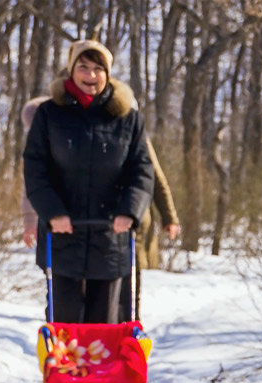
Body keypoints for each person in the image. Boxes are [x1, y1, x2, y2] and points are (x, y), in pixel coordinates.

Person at [23, 39, 154, 326]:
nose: (91, 76)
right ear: (71, 71)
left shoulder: (127, 119)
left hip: (110, 239)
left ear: (108, 74)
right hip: (62, 237)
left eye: (98, 69)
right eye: (83, 67)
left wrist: (128, 211)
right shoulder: (49, 115)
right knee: (65, 330)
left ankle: (105, 374)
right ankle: (63, 373)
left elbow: (142, 170)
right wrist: (53, 212)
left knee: (105, 329)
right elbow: (35, 169)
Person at [20, 91, 181, 321]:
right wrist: (35, 217)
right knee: (69, 303)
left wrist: (168, 216)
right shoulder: (50, 127)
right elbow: (34, 182)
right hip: (70, 232)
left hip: (123, 229)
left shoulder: (127, 128)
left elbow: (150, 175)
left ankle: (125, 335)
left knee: (124, 298)